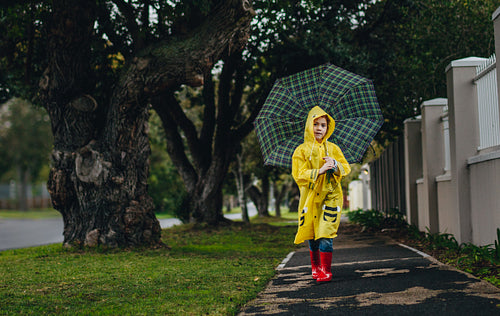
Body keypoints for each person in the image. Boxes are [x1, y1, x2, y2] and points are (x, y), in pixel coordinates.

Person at [291, 106, 351, 282]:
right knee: (312, 233)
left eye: (323, 125)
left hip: (331, 197)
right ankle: (315, 267)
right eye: (315, 124)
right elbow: (298, 175)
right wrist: (318, 171)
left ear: (328, 128)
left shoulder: (333, 149)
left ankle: (325, 270)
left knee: (325, 232)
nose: (319, 128)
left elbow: (345, 167)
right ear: (309, 125)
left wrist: (335, 165)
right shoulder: (301, 151)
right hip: (310, 198)